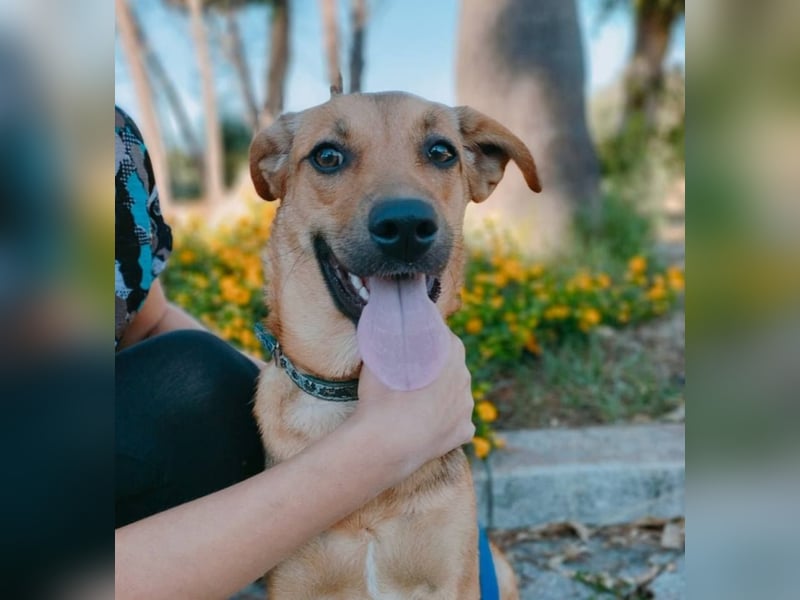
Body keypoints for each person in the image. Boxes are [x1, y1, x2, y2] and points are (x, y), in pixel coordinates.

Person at [114, 106, 476, 600]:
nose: (401, 205)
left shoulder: (110, 142)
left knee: (201, 367)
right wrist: (386, 444)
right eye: (330, 158)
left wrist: (292, 391)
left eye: (438, 154)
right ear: (275, 172)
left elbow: (147, 318)